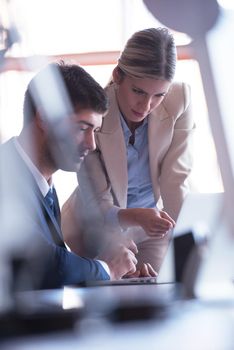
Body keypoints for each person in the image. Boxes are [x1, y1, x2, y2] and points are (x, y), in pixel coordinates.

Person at [0, 61, 152, 290]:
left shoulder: (44, 186)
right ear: (43, 119)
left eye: (95, 131)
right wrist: (106, 269)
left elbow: (50, 276)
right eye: (82, 128)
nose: (91, 144)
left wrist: (112, 276)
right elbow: (40, 262)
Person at [62, 27, 195, 272]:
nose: (146, 105)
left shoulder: (180, 100)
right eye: (138, 91)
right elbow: (98, 201)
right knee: (112, 288)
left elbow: (176, 181)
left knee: (156, 289)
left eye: (158, 95)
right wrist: (118, 241)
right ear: (118, 76)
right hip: (96, 223)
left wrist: (189, 241)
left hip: (151, 227)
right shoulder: (94, 112)